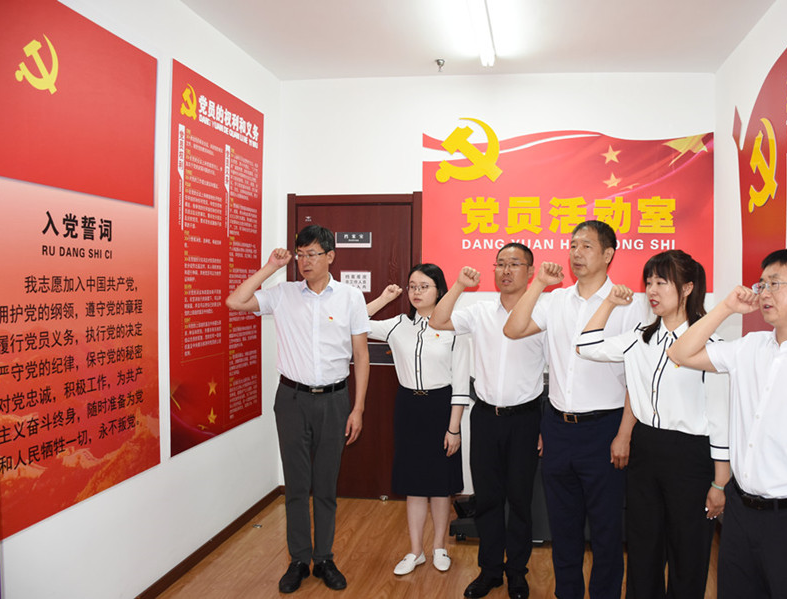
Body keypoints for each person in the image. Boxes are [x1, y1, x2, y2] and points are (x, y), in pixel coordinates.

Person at [667, 247, 787, 599]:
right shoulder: (750, 348)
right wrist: (725, 308)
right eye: (762, 284)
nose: (764, 293)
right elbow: (680, 353)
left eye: (775, 283)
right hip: (740, 512)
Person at [575, 249, 730, 599]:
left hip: (691, 455)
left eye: (662, 282)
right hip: (645, 449)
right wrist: (609, 303)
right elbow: (585, 345)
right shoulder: (639, 338)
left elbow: (720, 418)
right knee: (643, 547)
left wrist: (720, 483)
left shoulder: (711, 346)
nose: (652, 291)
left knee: (688, 552)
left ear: (687, 288)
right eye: (648, 283)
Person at [225, 225, 370, 594]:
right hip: (291, 400)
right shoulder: (284, 294)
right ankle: (298, 560)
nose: (305, 262)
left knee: (326, 484)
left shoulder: (351, 297)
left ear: (330, 256)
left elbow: (361, 354)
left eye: (313, 254)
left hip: (335, 400)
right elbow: (236, 301)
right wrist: (270, 267)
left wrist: (358, 409)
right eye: (300, 255)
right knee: (296, 485)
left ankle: (324, 558)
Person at [504, 220, 645, 599]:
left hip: (605, 429)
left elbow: (637, 378)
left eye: (586, 246)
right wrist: (538, 284)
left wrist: (624, 434)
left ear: (608, 254)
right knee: (563, 526)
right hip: (558, 427)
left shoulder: (628, 305)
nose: (576, 253)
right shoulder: (557, 301)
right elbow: (513, 329)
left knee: (606, 529)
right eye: (573, 245)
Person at [428, 243, 547, 599]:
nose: (506, 270)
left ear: (530, 271)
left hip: (526, 419)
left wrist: (544, 426)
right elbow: (437, 320)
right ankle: (490, 570)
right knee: (489, 498)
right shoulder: (479, 311)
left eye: (515, 264)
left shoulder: (542, 314)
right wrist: (459, 286)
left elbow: (554, 370)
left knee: (520, 501)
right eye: (501, 264)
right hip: (485, 418)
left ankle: (517, 573)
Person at [365, 263, 471, 577]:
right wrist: (384, 299)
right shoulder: (398, 325)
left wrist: (454, 428)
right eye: (412, 286)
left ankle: (439, 547)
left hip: (441, 407)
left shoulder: (455, 329)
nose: (416, 292)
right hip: (408, 407)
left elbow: (460, 384)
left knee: (440, 486)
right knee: (414, 485)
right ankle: (415, 551)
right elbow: (352, 323)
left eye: (424, 286)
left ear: (440, 291)